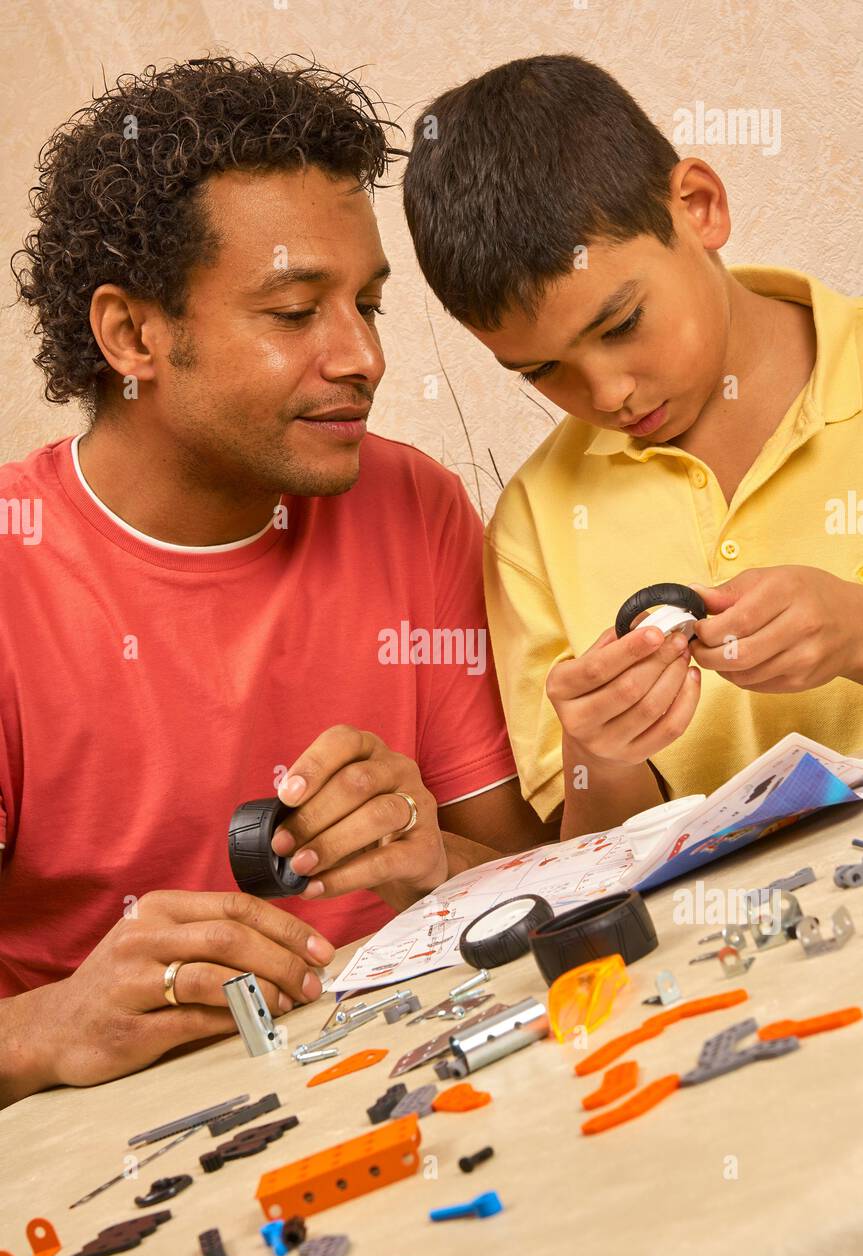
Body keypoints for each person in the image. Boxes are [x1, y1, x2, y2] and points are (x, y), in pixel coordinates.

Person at [0, 57, 546, 1106]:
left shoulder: (410, 505)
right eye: (296, 312)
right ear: (132, 335)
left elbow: (531, 875)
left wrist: (427, 858)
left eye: (368, 305)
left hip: (412, 1091)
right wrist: (43, 1028)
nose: (362, 358)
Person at [402, 53, 863, 842]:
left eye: (619, 326)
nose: (607, 395)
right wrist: (600, 754)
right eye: (543, 371)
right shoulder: (533, 527)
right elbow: (599, 859)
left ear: (698, 207)